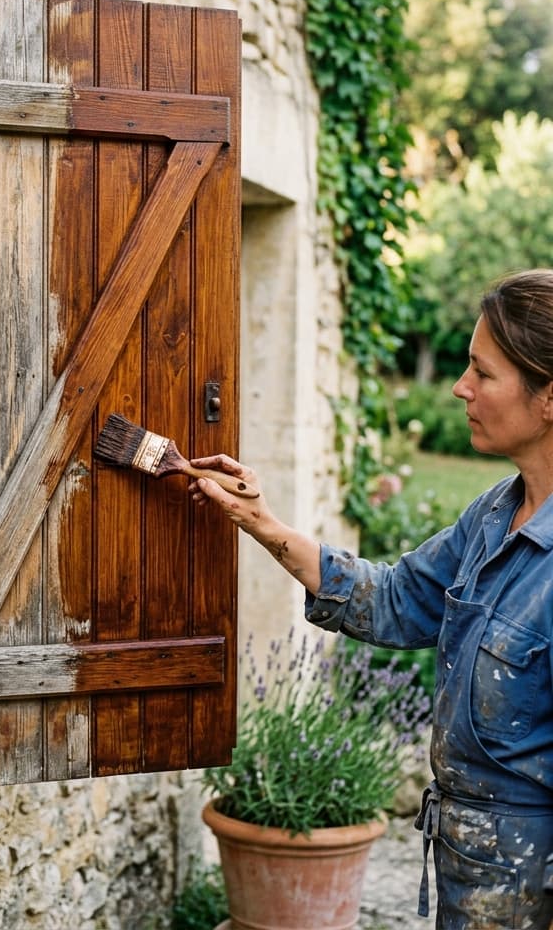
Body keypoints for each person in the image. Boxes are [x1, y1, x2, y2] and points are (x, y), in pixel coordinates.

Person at [188, 268, 553, 930]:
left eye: (482, 372)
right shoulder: (492, 516)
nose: (459, 387)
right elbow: (394, 599)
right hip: (468, 877)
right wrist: (261, 523)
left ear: (549, 396)